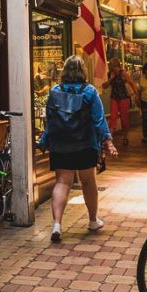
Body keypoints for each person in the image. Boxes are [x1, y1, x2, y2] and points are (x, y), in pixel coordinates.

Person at [39, 54, 117, 244]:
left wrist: (44, 139)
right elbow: (99, 120)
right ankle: (92, 220)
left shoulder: (54, 91)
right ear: (83, 71)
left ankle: (57, 225)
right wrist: (108, 141)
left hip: (60, 144)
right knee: (88, 181)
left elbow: (49, 120)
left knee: (62, 182)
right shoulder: (89, 92)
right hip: (84, 144)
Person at [106, 58, 136, 145]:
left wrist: (136, 95)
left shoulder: (123, 74)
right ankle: (110, 138)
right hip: (114, 98)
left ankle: (125, 137)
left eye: (112, 65)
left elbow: (132, 83)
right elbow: (105, 86)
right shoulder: (110, 74)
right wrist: (110, 79)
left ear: (117, 66)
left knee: (124, 118)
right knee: (113, 117)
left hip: (123, 98)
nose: (111, 67)